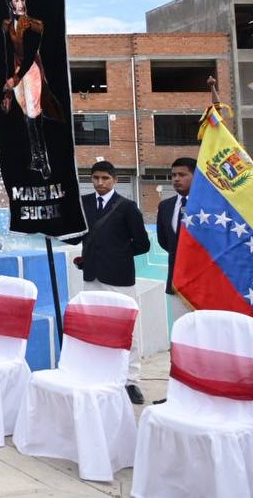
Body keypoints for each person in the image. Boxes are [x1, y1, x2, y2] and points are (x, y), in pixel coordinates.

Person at [72, 160, 151, 404]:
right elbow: (77, 234)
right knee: (95, 326)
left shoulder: (127, 207)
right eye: (95, 178)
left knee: (128, 329)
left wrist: (116, 255)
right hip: (92, 275)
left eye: (105, 178)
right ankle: (100, 372)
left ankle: (130, 380)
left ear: (114, 180)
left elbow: (142, 244)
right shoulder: (84, 203)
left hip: (119, 278)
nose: (99, 183)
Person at [0, 0, 64, 179]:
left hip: (31, 70)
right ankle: (37, 158)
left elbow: (29, 56)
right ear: (11, 3)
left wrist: (15, 78)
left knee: (34, 113)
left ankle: (43, 160)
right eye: (16, 0)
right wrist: (8, 85)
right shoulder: (7, 25)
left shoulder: (35, 25)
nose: (20, 4)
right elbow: (8, 53)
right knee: (27, 113)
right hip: (16, 71)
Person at [156, 157, 196, 318]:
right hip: (176, 281)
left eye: (182, 174)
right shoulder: (165, 206)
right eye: (173, 175)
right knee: (181, 330)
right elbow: (164, 241)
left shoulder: (209, 206)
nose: (176, 179)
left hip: (205, 282)